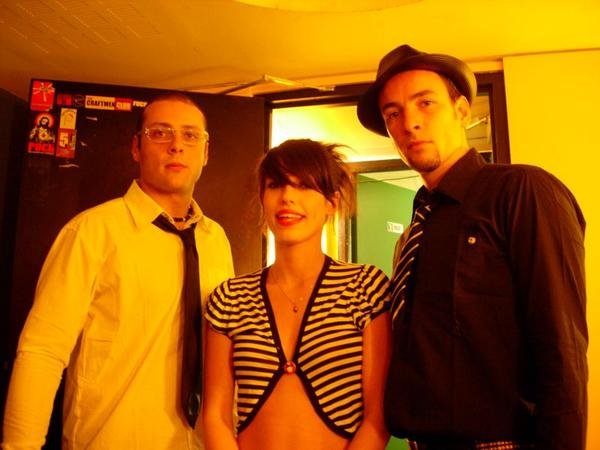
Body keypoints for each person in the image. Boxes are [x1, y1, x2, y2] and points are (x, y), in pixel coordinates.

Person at [356, 44, 588, 450]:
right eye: (393, 114)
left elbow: (561, 344)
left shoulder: (521, 191)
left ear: (461, 110)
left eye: (425, 103)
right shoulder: (413, 234)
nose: (410, 123)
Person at [2, 92, 234, 449]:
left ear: (205, 152)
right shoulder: (91, 232)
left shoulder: (215, 239)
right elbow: (42, 351)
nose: (176, 145)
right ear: (137, 148)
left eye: (190, 135)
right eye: (160, 133)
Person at [202, 139, 392, 450]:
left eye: (304, 185)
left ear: (331, 202)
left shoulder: (364, 287)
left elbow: (378, 418)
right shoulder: (230, 298)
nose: (287, 197)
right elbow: (215, 416)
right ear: (262, 198)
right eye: (275, 185)